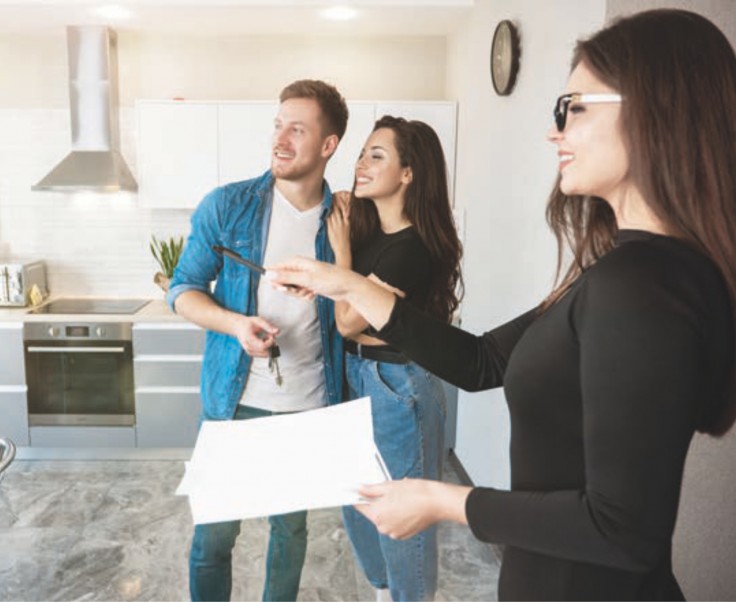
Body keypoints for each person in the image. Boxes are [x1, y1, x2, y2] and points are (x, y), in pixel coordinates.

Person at [267, 9, 736, 600]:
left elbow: (623, 531)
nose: (554, 132)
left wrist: (443, 500)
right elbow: (482, 362)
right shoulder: (624, 273)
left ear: (656, 112)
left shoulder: (642, 285)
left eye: (574, 108)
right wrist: (346, 284)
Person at [166, 79, 348, 602]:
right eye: (278, 125)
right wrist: (236, 325)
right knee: (213, 540)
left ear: (328, 144)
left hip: (308, 405)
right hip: (235, 403)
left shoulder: (346, 219)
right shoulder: (228, 206)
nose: (280, 140)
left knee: (290, 534)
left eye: (297, 129)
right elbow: (182, 291)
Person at [327, 115, 461, 601]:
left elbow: (347, 321)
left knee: (405, 522)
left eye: (376, 155)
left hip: (397, 386)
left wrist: (341, 254)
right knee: (359, 505)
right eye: (363, 153)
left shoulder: (411, 249)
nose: (361, 163)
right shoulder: (371, 234)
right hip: (357, 376)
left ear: (408, 173)